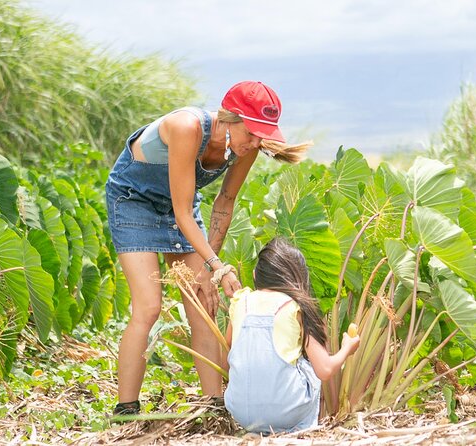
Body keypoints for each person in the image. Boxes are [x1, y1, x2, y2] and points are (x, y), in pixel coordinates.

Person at [105, 81, 311, 415]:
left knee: (203, 304)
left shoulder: (248, 147)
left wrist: (206, 274)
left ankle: (214, 406)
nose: (257, 142)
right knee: (149, 308)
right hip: (134, 202)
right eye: (252, 132)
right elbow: (182, 211)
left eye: (263, 134)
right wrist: (217, 265)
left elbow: (224, 203)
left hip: (180, 206)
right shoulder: (187, 127)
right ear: (230, 119)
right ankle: (126, 409)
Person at [224, 237, 360, 433]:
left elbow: (228, 351)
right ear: (299, 278)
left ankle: (258, 429)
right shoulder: (295, 307)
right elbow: (325, 370)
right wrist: (348, 347)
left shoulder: (240, 300)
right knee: (308, 367)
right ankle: (299, 430)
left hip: (240, 412)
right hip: (284, 413)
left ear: (255, 275)